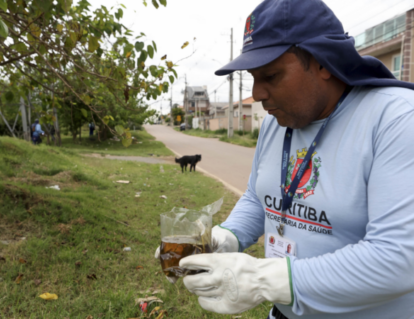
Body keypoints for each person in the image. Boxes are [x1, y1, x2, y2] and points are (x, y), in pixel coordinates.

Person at [170, 1, 414, 318]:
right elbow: (261, 196)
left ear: (323, 62)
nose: (257, 94)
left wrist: (265, 280)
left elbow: (398, 258)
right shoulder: (277, 122)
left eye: (270, 75)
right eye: (253, 77)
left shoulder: (397, 119)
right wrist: (225, 238)